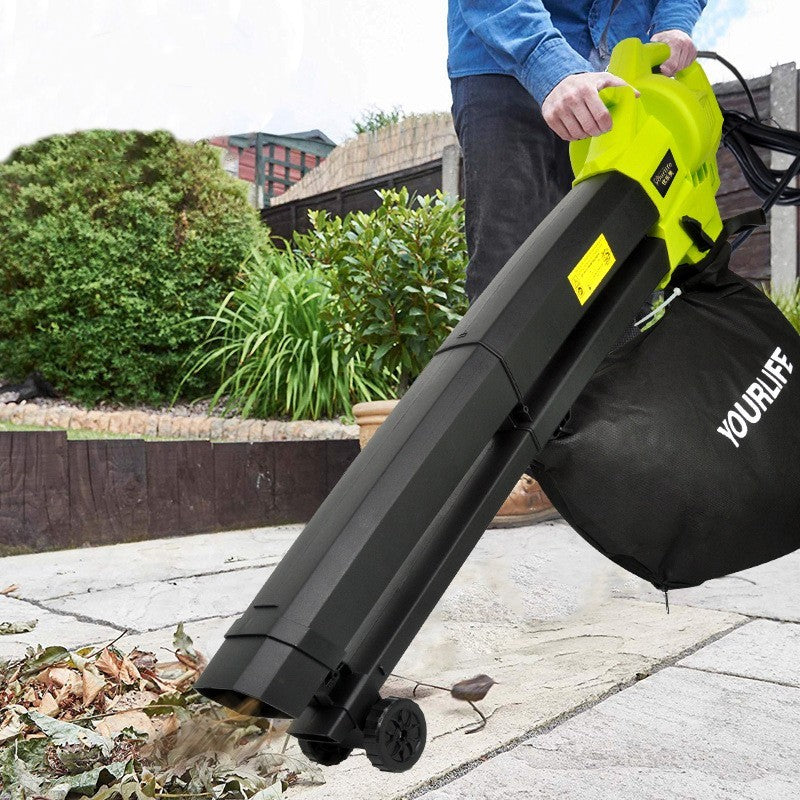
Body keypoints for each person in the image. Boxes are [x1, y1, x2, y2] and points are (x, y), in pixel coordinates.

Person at [447, 0, 706, 527]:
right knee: (509, 271)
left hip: (621, 76)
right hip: (505, 60)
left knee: (620, 271)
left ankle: (607, 460)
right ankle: (511, 464)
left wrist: (673, 21)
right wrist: (549, 65)